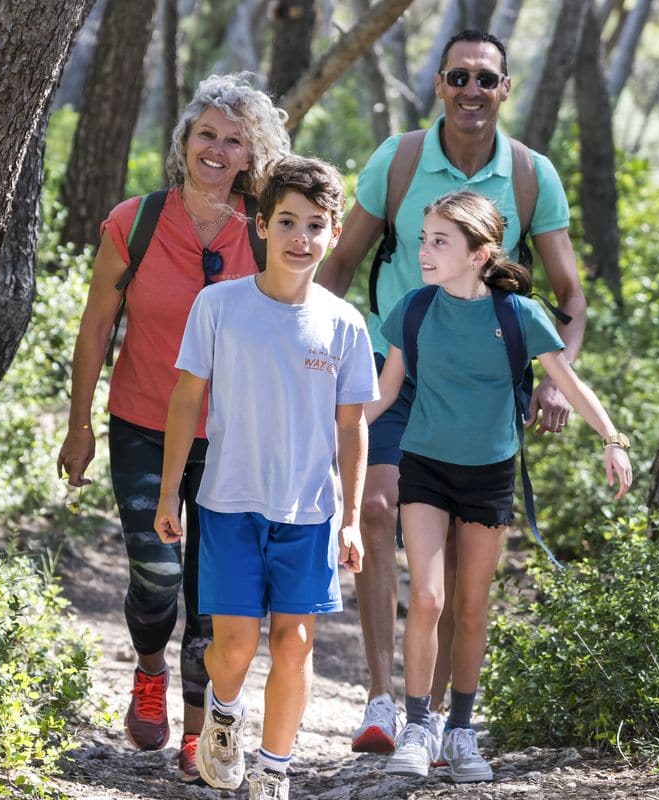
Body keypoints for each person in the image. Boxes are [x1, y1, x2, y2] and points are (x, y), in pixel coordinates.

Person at [312, 29, 592, 753]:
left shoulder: (531, 175)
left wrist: (559, 380)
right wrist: (305, 350)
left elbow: (569, 293)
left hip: (477, 384)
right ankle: (379, 699)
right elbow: (341, 262)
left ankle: (433, 715)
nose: (472, 90)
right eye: (459, 77)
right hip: (392, 361)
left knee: (465, 574)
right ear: (440, 85)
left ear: (505, 91)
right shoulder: (400, 160)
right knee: (374, 507)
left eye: (485, 79)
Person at [56, 72, 292, 783]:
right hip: (142, 424)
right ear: (183, 141)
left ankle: (197, 737)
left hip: (232, 439)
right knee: (156, 576)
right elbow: (97, 325)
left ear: (254, 155)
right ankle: (149, 669)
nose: (217, 151)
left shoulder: (266, 229)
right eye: (206, 136)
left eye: (234, 141)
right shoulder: (137, 220)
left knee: (214, 593)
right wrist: (78, 426)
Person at [369, 191, 632, 782]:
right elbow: (383, 395)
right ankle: (417, 727)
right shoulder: (411, 310)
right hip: (425, 466)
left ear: (480, 253)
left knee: (470, 607)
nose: (425, 250)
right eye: (423, 239)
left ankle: (460, 732)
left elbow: (570, 380)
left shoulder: (519, 315)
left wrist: (614, 438)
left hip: (489, 475)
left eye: (440, 241)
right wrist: (332, 437)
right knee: (430, 598)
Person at [154, 156, 376, 800]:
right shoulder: (219, 305)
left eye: (315, 225)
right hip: (226, 503)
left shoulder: (344, 324)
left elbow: (352, 427)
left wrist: (354, 517)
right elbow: (185, 400)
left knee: (294, 641)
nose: (299, 238)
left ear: (334, 234)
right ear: (260, 225)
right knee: (232, 645)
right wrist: (171, 490)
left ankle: (274, 769)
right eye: (286, 222)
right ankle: (223, 715)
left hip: (308, 514)